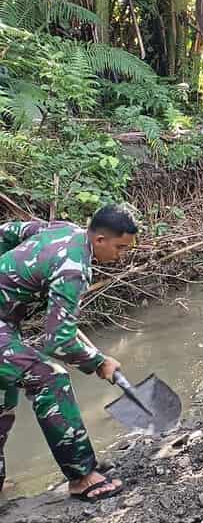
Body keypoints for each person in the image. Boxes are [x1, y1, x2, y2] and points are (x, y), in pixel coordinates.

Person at [0, 205, 138, 501]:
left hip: (5, 324)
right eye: (120, 248)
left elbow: (8, 231)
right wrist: (99, 362)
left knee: (2, 400)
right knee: (49, 378)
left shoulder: (62, 229)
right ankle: (82, 477)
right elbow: (58, 341)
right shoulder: (74, 269)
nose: (121, 256)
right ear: (100, 240)